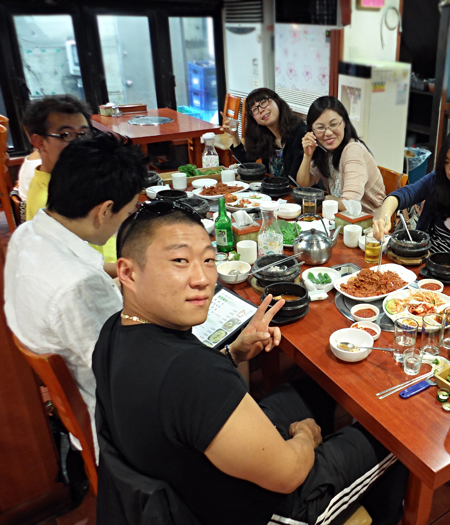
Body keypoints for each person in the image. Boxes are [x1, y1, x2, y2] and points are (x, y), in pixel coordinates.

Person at [93, 204, 408, 525]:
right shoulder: (190, 373)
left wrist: (235, 353)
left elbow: (187, 402)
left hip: (197, 483)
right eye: (179, 261)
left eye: (208, 259)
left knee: (311, 390)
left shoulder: (113, 332)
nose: (202, 278)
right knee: (395, 436)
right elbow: (290, 474)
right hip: (269, 509)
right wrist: (305, 438)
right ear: (128, 272)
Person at [4, 133, 146, 453]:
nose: (126, 221)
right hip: (117, 428)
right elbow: (130, 372)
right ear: (104, 210)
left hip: (84, 387)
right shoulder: (79, 288)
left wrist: (128, 269)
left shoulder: (29, 233)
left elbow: (92, 266)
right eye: (128, 214)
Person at [373, 125, 450, 275]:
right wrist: (384, 219)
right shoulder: (438, 180)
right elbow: (401, 195)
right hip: (424, 268)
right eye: (447, 162)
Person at [21, 95, 119, 275]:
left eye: (83, 133)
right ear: (39, 142)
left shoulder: (68, 178)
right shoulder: (50, 204)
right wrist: (130, 269)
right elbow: (79, 268)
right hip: (102, 280)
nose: (80, 143)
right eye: (66, 135)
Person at [297, 96, 386, 218]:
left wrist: (328, 198)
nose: (328, 133)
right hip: (340, 220)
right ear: (311, 131)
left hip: (368, 225)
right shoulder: (325, 151)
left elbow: (350, 205)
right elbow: (304, 185)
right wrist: (307, 155)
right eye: (320, 127)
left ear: (344, 122)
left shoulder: (353, 150)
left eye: (333, 124)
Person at [222, 88, 307, 182]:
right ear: (255, 119)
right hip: (274, 191)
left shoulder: (300, 133)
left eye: (263, 102)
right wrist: (234, 136)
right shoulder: (265, 135)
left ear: (277, 101)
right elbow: (249, 165)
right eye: (255, 109)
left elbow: (294, 179)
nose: (261, 110)